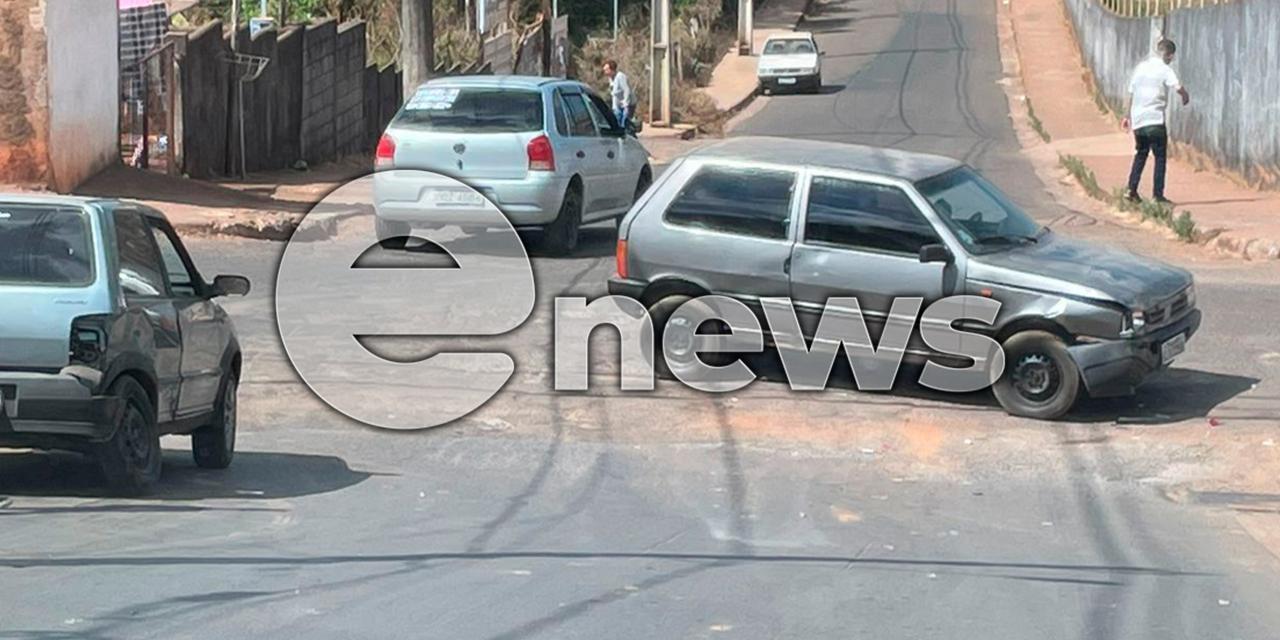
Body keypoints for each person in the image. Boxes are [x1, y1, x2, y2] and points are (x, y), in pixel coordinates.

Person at [1122, 38, 1190, 204]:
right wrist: (1185, 96)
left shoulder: (1141, 68)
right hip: (1155, 119)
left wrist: (1126, 116)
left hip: (1138, 120)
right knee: (1160, 157)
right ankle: (1157, 196)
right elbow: (1178, 87)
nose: (1170, 59)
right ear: (1169, 55)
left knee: (1141, 154)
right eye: (1171, 57)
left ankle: (1131, 189)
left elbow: (1130, 92)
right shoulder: (1165, 69)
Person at [602, 59, 635, 131]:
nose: (605, 72)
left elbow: (626, 90)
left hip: (626, 104)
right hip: (618, 105)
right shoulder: (610, 79)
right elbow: (614, 94)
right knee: (617, 122)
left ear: (612, 70)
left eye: (607, 70)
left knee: (624, 124)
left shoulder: (620, 77)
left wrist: (626, 105)